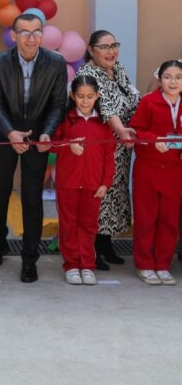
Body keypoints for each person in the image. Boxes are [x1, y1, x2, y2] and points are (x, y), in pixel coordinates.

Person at [0, 13, 67, 283]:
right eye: (25, 32)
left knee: (32, 198)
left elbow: (58, 104)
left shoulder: (56, 62)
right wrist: (10, 132)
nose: (31, 38)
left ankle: (29, 259)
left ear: (42, 35)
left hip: (37, 137)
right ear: (14, 35)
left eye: (36, 32)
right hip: (4, 134)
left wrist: (46, 133)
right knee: (0, 193)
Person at [76, 30, 140, 270]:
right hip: (103, 143)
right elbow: (106, 107)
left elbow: (134, 96)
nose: (111, 51)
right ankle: (92, 249)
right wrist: (121, 130)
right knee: (100, 195)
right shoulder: (88, 73)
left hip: (122, 146)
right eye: (104, 47)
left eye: (114, 45)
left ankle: (106, 244)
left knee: (114, 195)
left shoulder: (118, 69)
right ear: (91, 50)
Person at [51, 75, 115, 286]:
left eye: (89, 96)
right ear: (73, 96)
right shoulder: (66, 121)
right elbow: (52, 145)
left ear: (97, 96)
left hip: (93, 185)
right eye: (80, 97)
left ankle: (87, 265)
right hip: (67, 183)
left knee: (88, 226)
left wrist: (105, 183)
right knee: (68, 225)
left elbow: (109, 156)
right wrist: (68, 144)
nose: (85, 101)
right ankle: (71, 265)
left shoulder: (103, 125)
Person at [129, 60, 182, 285]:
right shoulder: (148, 102)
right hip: (148, 169)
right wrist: (153, 141)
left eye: (178, 77)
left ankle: (163, 264)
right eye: (168, 77)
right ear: (160, 80)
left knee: (169, 219)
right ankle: (144, 264)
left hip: (175, 170)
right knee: (146, 217)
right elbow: (136, 131)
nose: (173, 81)